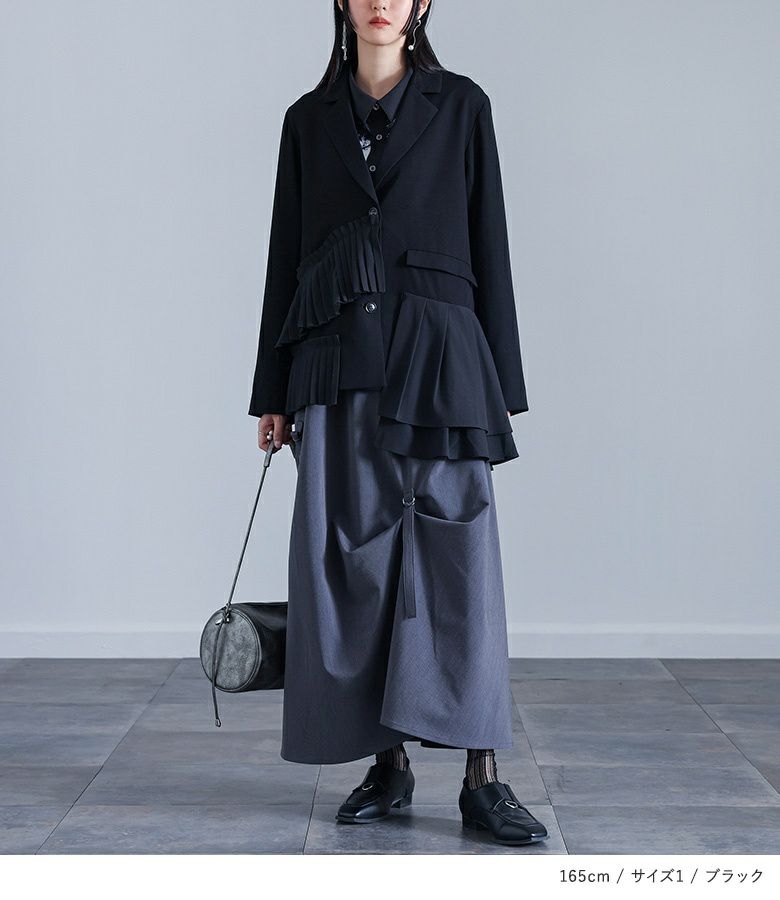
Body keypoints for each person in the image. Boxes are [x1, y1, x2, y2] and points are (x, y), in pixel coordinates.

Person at [248, 0, 547, 847]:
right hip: (337, 364)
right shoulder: (308, 121)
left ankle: (483, 777)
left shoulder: (462, 105)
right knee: (356, 570)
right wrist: (272, 390)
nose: (381, 2)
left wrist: (501, 378)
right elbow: (285, 256)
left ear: (421, 5)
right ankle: (388, 763)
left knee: (459, 568)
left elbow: (490, 242)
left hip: (442, 364)